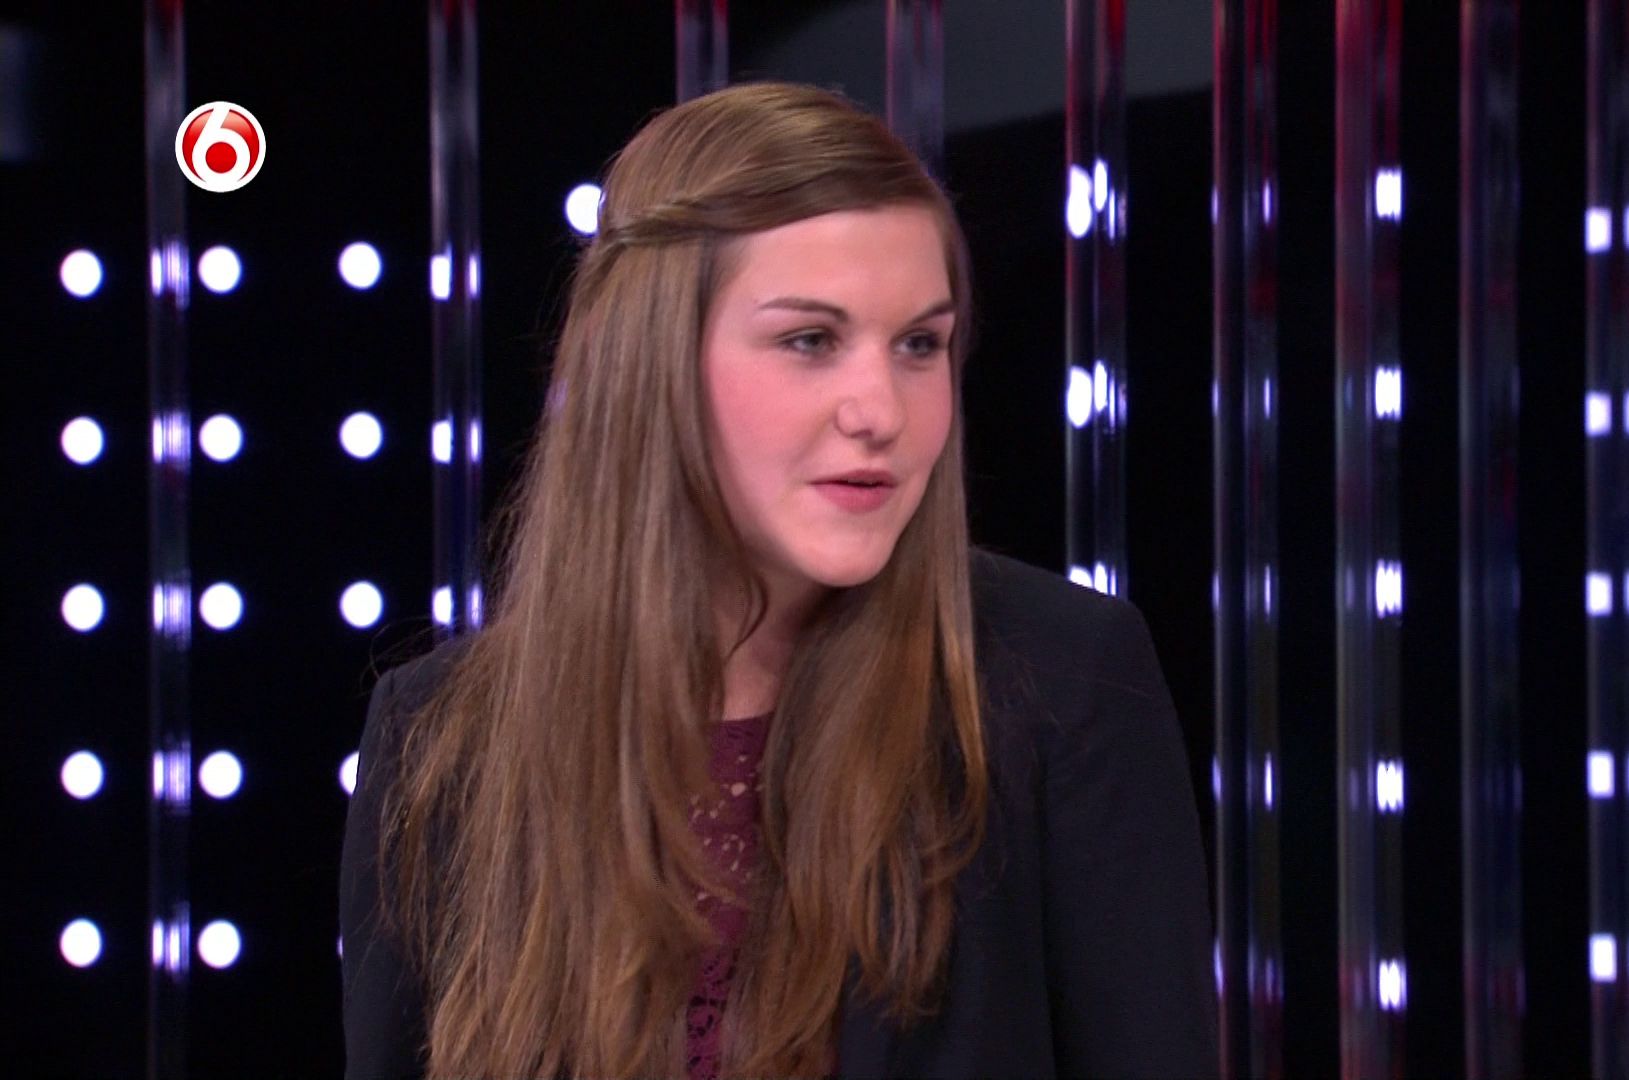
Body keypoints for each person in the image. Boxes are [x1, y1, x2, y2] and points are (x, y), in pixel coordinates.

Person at [339, 80, 1215, 1080]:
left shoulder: (1062, 681)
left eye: (919, 344)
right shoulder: (438, 738)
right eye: (810, 341)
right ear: (649, 365)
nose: (880, 410)